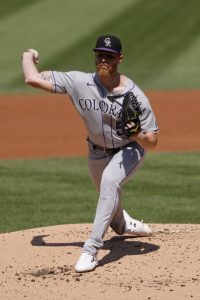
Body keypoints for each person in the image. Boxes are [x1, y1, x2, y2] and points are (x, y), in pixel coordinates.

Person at [22, 34, 158, 273]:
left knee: (109, 183)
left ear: (119, 58)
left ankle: (90, 250)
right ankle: (124, 223)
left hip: (129, 150)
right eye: (99, 55)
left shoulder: (134, 96)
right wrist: (27, 55)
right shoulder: (78, 82)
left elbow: (153, 141)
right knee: (110, 202)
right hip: (96, 153)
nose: (103, 60)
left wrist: (136, 134)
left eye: (109, 56)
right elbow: (32, 78)